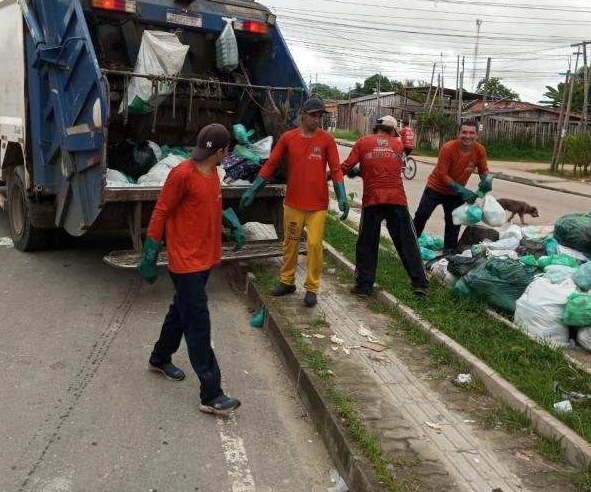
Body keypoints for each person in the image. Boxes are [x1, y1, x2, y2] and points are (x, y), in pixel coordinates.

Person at [139, 123, 246, 415]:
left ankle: (160, 357)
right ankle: (211, 394)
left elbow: (211, 205)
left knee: (181, 310)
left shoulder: (213, 173)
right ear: (222, 151)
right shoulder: (182, 174)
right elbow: (161, 211)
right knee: (198, 322)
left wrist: (232, 223)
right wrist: (149, 255)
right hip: (185, 261)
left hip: (205, 257)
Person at [239, 97, 349, 308]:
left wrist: (342, 196)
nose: (317, 119)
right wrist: (253, 190)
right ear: (303, 114)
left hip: (317, 205)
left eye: (320, 116)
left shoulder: (327, 140)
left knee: (314, 245)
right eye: (313, 115)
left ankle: (312, 288)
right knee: (290, 243)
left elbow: (336, 170)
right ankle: (287, 281)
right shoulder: (288, 138)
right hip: (293, 203)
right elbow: (271, 164)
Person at [341, 115, 429, 296]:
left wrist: (328, 176)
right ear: (393, 131)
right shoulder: (398, 145)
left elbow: (346, 167)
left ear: (376, 128)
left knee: (367, 242)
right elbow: (388, 167)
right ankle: (420, 283)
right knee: (407, 241)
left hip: (372, 199)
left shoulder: (363, 141)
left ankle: (364, 286)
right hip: (396, 199)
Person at [412, 121, 493, 254]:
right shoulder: (448, 148)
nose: (467, 136)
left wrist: (486, 180)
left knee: (454, 222)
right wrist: (462, 190)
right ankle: (409, 243)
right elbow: (442, 174)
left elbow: (483, 170)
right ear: (458, 134)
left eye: (471, 133)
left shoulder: (479, 150)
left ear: (477, 135)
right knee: (422, 215)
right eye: (464, 132)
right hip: (435, 188)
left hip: (455, 194)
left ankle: (449, 252)